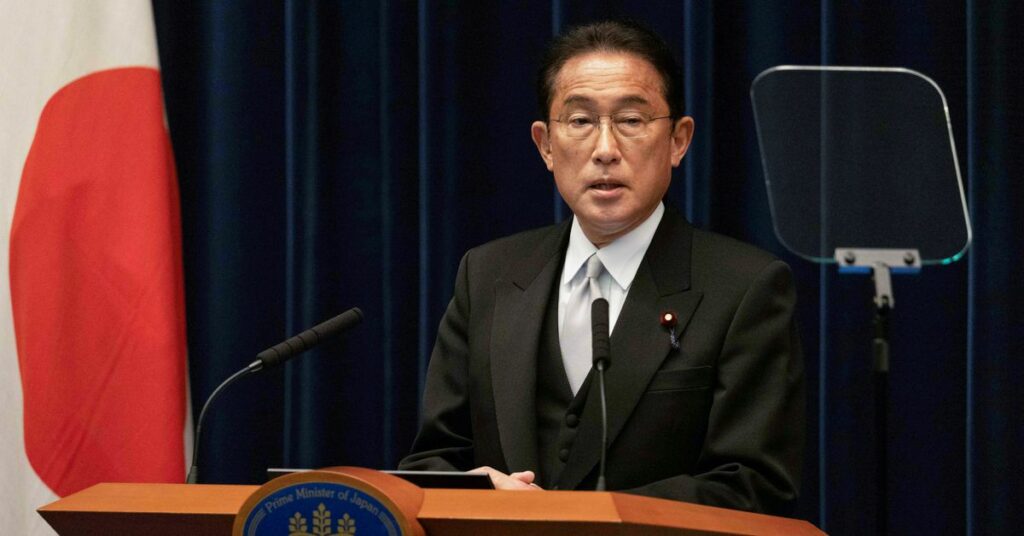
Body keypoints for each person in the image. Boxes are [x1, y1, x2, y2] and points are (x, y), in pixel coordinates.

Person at [398, 19, 804, 515]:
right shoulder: (487, 276)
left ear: (679, 140)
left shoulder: (744, 287)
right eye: (580, 122)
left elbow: (753, 486)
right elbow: (433, 460)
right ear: (546, 144)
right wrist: (477, 492)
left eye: (631, 120)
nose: (605, 149)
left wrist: (584, 519)